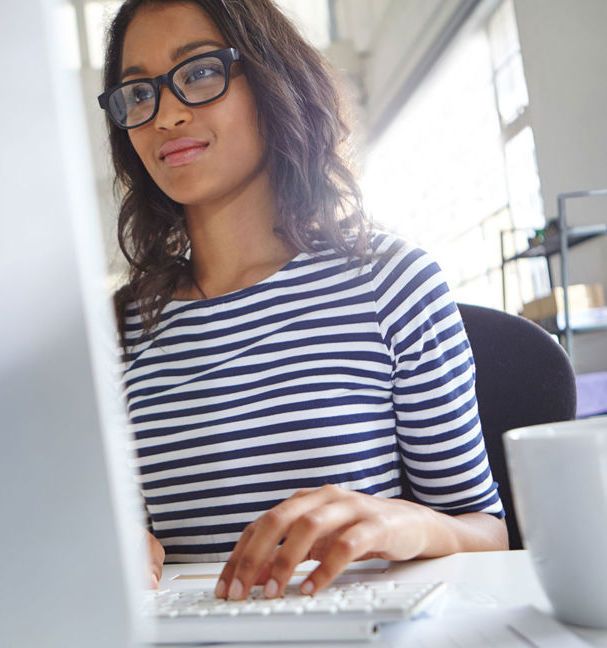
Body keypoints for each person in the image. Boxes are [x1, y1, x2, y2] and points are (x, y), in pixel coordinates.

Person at [98, 0, 508, 601]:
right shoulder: (118, 329)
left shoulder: (390, 283)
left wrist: (406, 522)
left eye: (200, 72)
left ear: (271, 81)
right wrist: (115, 541)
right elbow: (120, 534)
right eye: (137, 93)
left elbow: (487, 534)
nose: (165, 115)